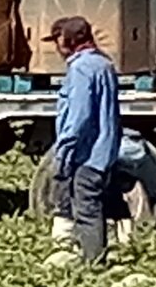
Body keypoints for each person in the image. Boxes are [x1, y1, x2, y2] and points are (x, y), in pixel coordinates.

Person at [49, 16, 124, 266]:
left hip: (87, 154)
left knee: (86, 209)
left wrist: (64, 152)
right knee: (95, 206)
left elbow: (79, 116)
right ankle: (97, 255)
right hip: (105, 151)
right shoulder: (103, 64)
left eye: (59, 42)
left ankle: (93, 262)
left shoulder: (81, 69)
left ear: (68, 41)